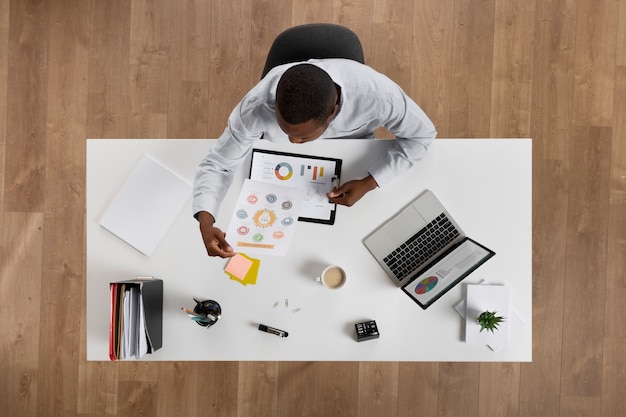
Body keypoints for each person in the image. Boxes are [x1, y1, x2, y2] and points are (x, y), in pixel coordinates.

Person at [193, 59, 437, 258]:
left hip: (352, 155)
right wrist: (206, 224)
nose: (293, 143)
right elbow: (219, 164)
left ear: (332, 112)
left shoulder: (379, 96)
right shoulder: (256, 107)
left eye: (302, 137)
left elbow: (422, 135)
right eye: (285, 131)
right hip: (282, 166)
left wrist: (370, 182)